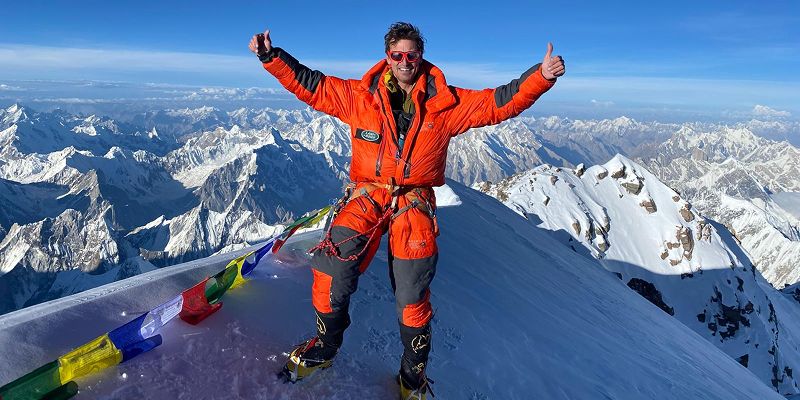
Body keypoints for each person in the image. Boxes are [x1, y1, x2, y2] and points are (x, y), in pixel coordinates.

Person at [249, 22, 564, 399]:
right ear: (387, 57)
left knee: (413, 293)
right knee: (331, 269)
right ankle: (324, 348)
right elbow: (311, 85)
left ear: (420, 57)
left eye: (411, 55)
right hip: (367, 195)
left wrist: (540, 77)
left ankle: (412, 377)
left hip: (413, 201)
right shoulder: (359, 95)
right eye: (397, 55)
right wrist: (272, 57)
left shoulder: (446, 103)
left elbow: (497, 102)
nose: (404, 62)